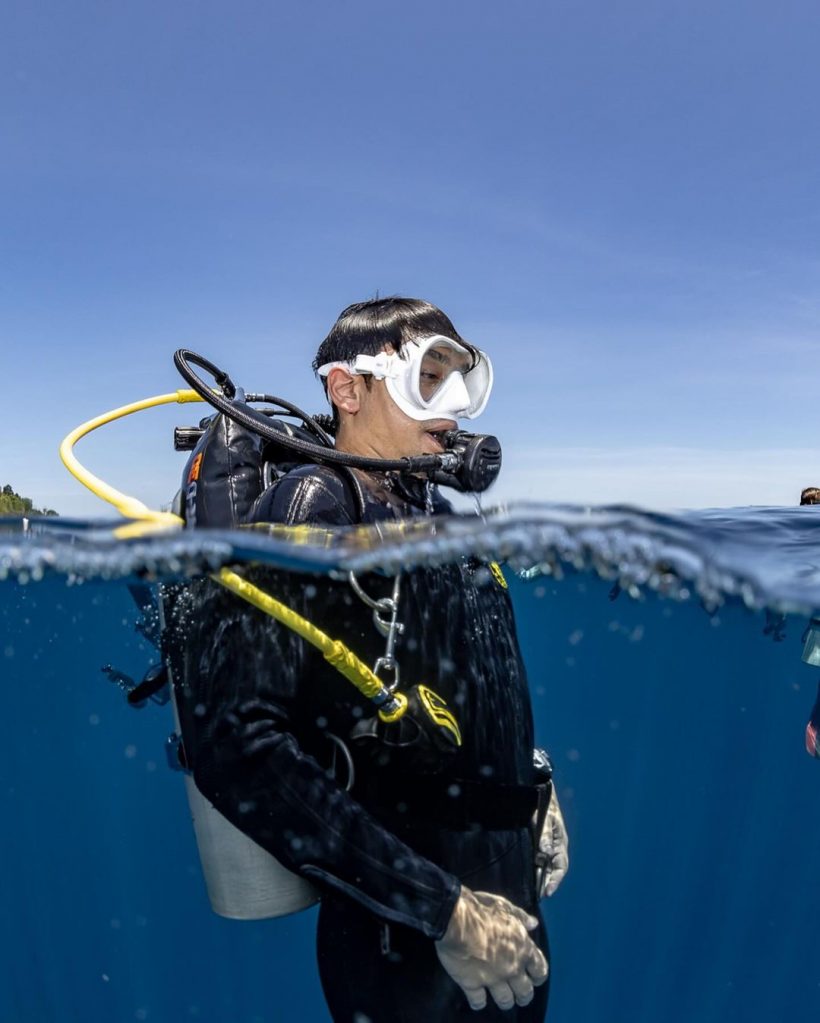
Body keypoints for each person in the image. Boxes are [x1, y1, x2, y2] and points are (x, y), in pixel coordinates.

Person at [167, 297, 568, 1021]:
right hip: (408, 937)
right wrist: (444, 912)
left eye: (461, 381)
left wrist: (532, 788)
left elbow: (473, 682)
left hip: (504, 904)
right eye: (427, 378)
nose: (452, 408)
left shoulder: (440, 517)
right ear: (347, 388)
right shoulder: (316, 505)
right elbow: (234, 742)